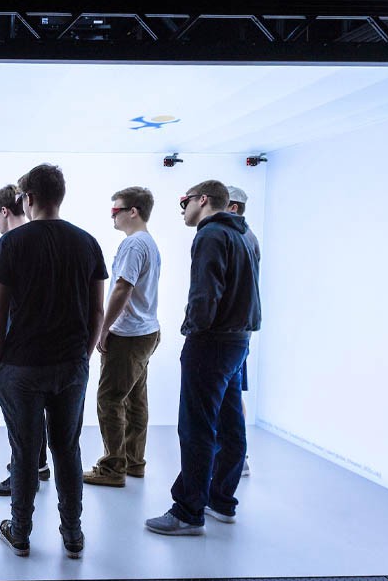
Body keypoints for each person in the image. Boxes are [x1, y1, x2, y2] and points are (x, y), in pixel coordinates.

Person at [0, 164, 107, 559]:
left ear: (29, 198)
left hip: (21, 366)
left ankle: (20, 531)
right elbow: (96, 312)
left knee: (25, 451)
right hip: (70, 364)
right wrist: (84, 356)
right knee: (66, 448)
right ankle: (72, 534)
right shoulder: (87, 243)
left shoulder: (11, 244)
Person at [145, 180, 260, 536]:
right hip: (238, 341)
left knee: (196, 427)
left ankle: (188, 511)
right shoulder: (246, 236)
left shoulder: (210, 234)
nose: (182, 209)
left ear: (204, 200)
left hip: (211, 341)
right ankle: (221, 501)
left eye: (185, 201)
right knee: (229, 422)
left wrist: (195, 329)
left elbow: (205, 292)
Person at [84, 187, 162, 487]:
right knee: (135, 399)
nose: (112, 216)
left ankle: (113, 468)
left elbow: (122, 288)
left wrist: (103, 328)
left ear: (134, 211)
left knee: (109, 399)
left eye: (116, 210)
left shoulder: (134, 245)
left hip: (128, 335)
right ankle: (134, 462)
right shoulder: (148, 243)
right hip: (146, 332)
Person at [0, 185, 51, 497]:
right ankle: (38, 466)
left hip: (15, 349)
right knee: (35, 414)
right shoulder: (45, 239)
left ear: (4, 211)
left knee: (19, 421)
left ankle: (24, 477)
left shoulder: (11, 243)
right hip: (44, 346)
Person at [226, 186, 259, 478]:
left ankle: (238, 457)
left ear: (233, 208)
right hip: (241, 330)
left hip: (233, 332)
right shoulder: (247, 237)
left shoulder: (237, 237)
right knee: (232, 393)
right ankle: (239, 457)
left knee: (231, 394)